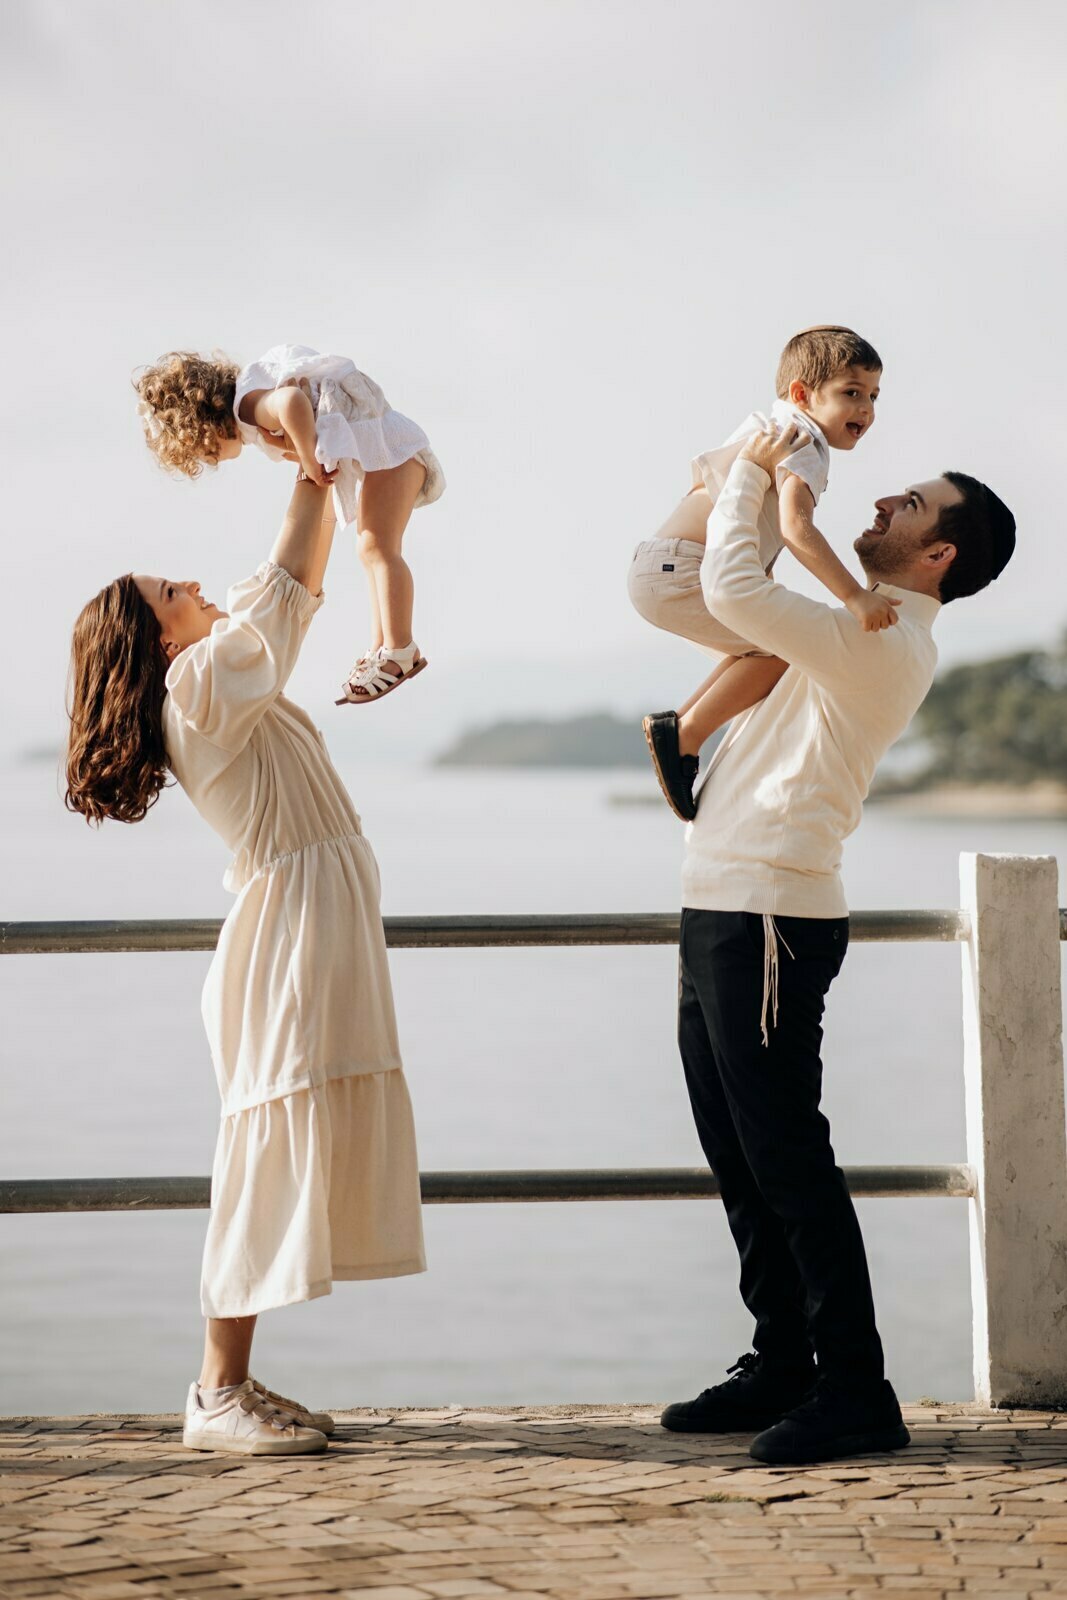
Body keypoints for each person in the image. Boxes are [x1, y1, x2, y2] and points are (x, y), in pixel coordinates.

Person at [662, 423, 1015, 1464]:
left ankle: (857, 1390)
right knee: (738, 1151)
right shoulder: (855, 622)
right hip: (722, 905)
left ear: (937, 552)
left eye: (903, 505)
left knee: (786, 1158)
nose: (875, 507)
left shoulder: (880, 634)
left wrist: (750, 475)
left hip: (769, 915)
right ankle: (783, 1360)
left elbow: (731, 588)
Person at [64, 474, 426, 1456]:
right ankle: (214, 1392)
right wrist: (310, 475)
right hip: (290, 934)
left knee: (284, 1142)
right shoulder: (196, 686)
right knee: (262, 1153)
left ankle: (234, 1379)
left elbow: (287, 593)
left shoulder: (214, 682)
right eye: (170, 590)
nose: (192, 581)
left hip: (313, 924)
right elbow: (286, 583)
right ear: (163, 641)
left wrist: (316, 475)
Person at [629, 327, 896, 820]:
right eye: (851, 393)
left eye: (874, 396)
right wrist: (856, 597)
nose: (866, 410)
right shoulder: (804, 442)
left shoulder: (776, 424)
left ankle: (679, 729)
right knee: (784, 647)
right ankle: (683, 735)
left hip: (661, 564)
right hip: (682, 568)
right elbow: (797, 528)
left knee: (761, 649)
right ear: (802, 394)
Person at [135, 343, 444, 705]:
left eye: (205, 453)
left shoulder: (247, 408)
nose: (214, 460)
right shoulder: (252, 401)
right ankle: (382, 647)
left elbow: (292, 401)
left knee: (377, 547)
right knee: (369, 549)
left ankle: (400, 648)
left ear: (204, 426)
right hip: (383, 452)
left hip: (392, 449)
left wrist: (311, 460)